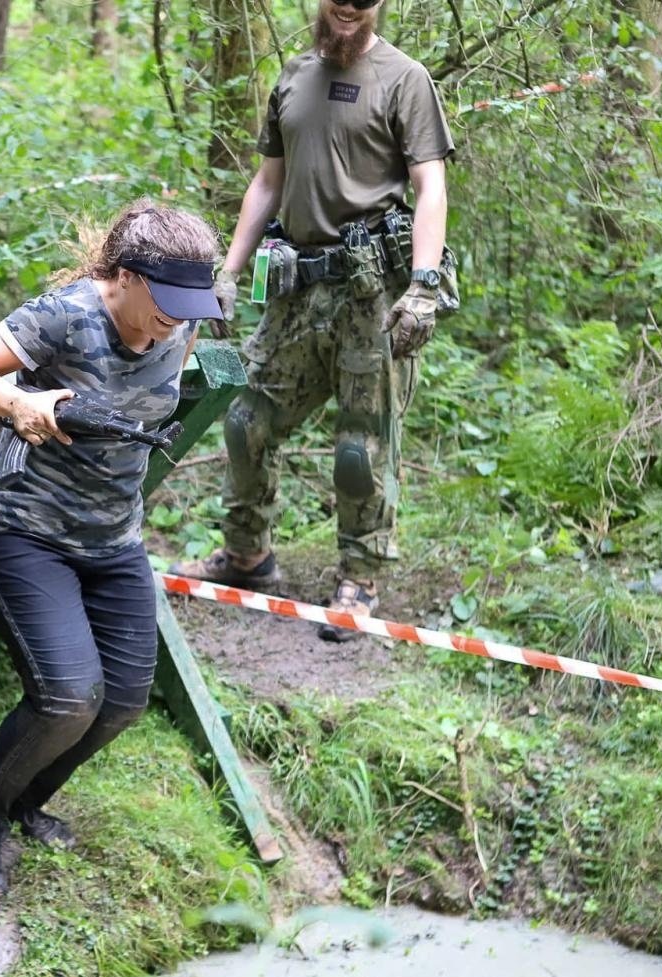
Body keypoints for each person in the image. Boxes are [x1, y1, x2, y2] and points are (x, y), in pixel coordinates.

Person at [0, 201, 224, 898]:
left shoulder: (177, 324)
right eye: (167, 304)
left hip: (113, 539)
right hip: (24, 530)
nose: (178, 322)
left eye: (191, 307)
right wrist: (16, 404)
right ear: (123, 276)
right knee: (68, 696)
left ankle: (24, 799)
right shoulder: (67, 315)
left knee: (122, 700)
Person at [171, 0, 455, 642]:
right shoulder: (293, 76)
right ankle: (248, 555)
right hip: (294, 292)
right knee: (246, 422)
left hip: (369, 299)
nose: (351, 6)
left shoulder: (405, 79)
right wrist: (229, 270)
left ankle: (360, 577)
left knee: (360, 449)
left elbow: (429, 186)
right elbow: (267, 183)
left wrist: (424, 285)